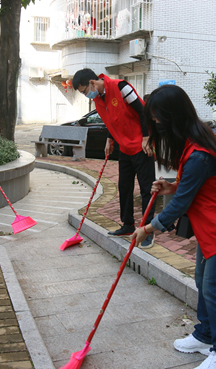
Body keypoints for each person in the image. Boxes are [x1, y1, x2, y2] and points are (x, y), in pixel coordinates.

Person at [131, 85, 216, 369]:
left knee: (214, 288)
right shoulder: (194, 138)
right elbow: (193, 187)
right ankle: (206, 335)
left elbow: (179, 206)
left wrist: (148, 229)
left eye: (158, 120)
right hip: (213, 220)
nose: (156, 125)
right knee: (202, 280)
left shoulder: (198, 152)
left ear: (173, 116)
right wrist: (173, 186)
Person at [72, 69, 157, 249]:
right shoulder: (98, 99)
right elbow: (113, 120)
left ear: (92, 83)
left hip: (141, 147)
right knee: (124, 187)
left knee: (146, 189)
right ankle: (128, 225)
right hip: (124, 148)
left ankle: (148, 230)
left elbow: (143, 112)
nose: (86, 95)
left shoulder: (121, 87)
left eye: (84, 91)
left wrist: (145, 138)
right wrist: (109, 139)